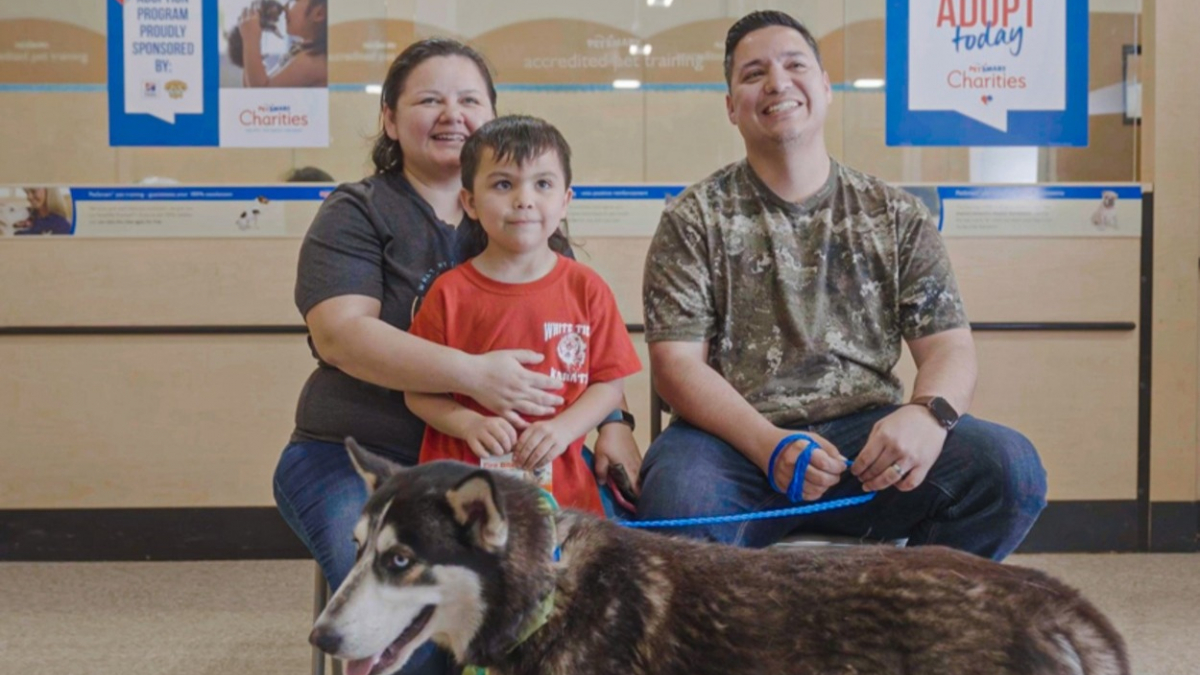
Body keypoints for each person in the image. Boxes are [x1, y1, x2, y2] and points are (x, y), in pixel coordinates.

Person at [272, 38, 641, 675]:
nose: (452, 113)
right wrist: (476, 377)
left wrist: (614, 425)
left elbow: (583, 346)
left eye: (469, 99)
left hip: (522, 472)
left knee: (587, 607)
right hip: (361, 456)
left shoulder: (523, 216)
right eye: (429, 100)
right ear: (389, 118)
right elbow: (341, 334)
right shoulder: (358, 212)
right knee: (416, 632)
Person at [637, 10, 1047, 562]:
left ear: (826, 89)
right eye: (753, 73)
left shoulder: (895, 214)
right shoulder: (693, 219)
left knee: (1008, 470)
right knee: (675, 500)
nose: (777, 82)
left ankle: (909, 621)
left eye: (794, 65)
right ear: (732, 107)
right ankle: (728, 644)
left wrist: (929, 414)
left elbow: (949, 346)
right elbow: (676, 367)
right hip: (733, 442)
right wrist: (770, 444)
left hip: (865, 447)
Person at [406, 115, 642, 516]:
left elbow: (608, 383)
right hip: (455, 492)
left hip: (561, 489)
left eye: (543, 184)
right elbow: (417, 390)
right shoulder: (448, 293)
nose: (524, 199)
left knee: (560, 576)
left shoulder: (587, 289)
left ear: (565, 200)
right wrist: (467, 424)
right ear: (470, 202)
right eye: (503, 184)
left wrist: (564, 429)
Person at [238, 0, 328, 88]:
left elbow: (260, 92)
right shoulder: (301, 51)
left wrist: (250, 39)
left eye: (295, 1)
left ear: (319, 13)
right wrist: (250, 54)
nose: (285, 7)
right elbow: (250, 86)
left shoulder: (313, 61)